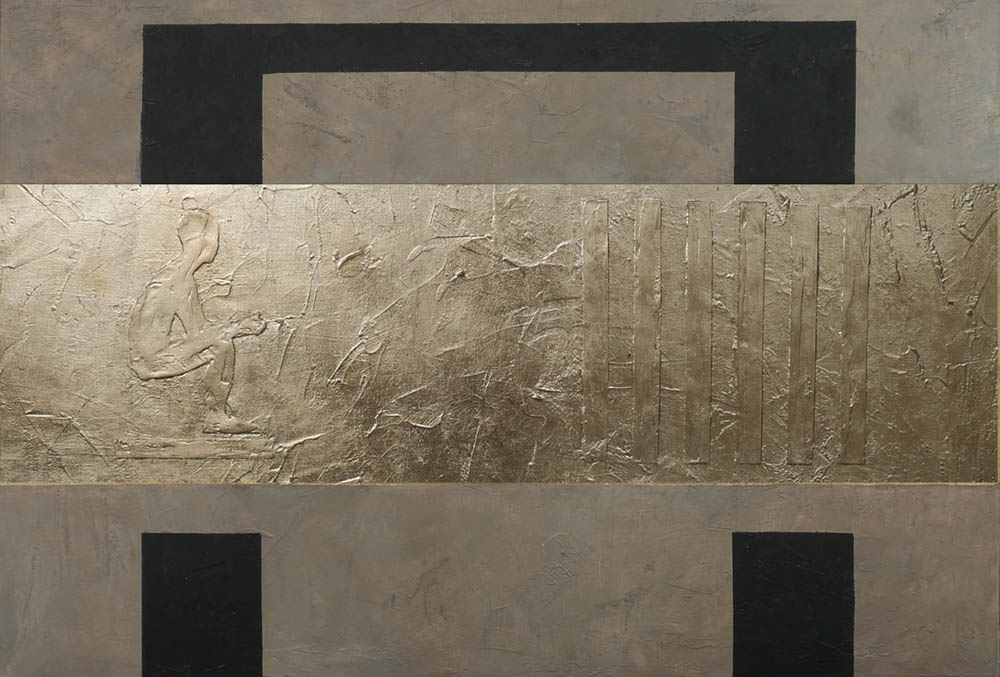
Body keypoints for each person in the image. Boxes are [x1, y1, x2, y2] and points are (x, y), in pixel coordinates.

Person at [128, 209, 265, 433]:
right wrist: (236, 328)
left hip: (165, 353)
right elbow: (145, 348)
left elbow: (198, 331)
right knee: (221, 342)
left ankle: (216, 417)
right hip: (149, 360)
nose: (216, 245)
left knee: (222, 344)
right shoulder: (167, 283)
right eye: (215, 237)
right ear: (204, 241)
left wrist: (241, 327)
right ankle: (216, 418)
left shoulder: (185, 280)